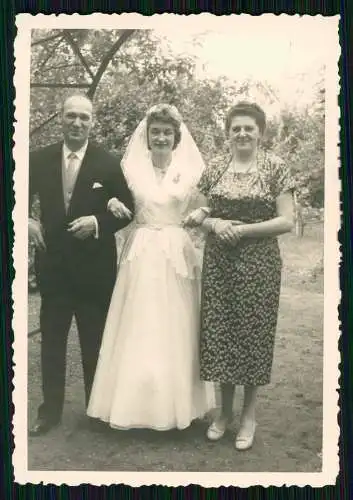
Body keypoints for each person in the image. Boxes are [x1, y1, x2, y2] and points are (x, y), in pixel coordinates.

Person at [87, 104, 215, 430]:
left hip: (175, 250)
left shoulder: (191, 172)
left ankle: (176, 406)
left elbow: (209, 202)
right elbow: (105, 191)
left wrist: (202, 213)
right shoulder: (131, 169)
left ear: (176, 137)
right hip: (141, 251)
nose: (160, 137)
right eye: (155, 131)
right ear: (147, 136)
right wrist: (108, 201)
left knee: (175, 324)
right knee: (139, 323)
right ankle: (133, 404)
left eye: (166, 132)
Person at [184, 101, 295, 450]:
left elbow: (286, 220)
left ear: (260, 132)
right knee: (221, 336)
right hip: (220, 263)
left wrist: (243, 231)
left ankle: (249, 414)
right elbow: (197, 212)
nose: (242, 133)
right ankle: (224, 413)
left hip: (259, 264)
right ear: (228, 133)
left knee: (252, 337)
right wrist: (215, 222)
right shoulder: (215, 167)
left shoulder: (276, 167)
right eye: (236, 128)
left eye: (249, 127)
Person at [28, 94, 134, 436]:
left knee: (94, 343)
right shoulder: (39, 159)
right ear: (61, 117)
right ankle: (50, 412)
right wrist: (27, 221)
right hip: (54, 267)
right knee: (52, 342)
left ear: (93, 122)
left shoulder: (108, 162)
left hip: (94, 271)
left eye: (84, 118)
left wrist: (98, 222)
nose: (77, 123)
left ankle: (96, 410)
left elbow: (128, 209)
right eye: (71, 116)